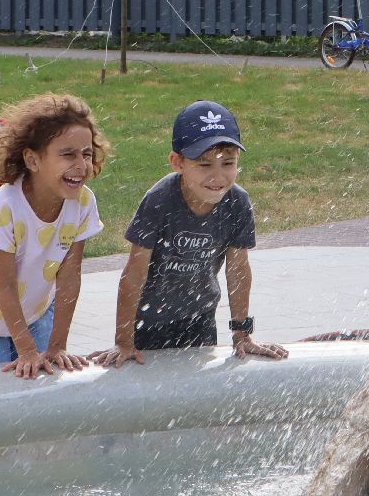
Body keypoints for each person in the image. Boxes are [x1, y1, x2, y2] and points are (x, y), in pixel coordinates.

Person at [90, 101, 288, 366]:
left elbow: (238, 269)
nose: (218, 176)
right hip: (149, 321)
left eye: (228, 163)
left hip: (200, 317)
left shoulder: (237, 203)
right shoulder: (159, 201)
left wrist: (242, 333)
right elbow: (134, 272)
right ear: (177, 162)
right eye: (204, 165)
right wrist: (123, 341)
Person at [0, 94, 102, 376]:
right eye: (68, 154)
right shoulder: (7, 205)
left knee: (43, 381)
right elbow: (5, 285)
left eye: (87, 153)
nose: (81, 165)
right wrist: (27, 350)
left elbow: (69, 278)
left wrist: (57, 346)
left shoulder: (82, 203)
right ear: (32, 160)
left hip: (35, 309)